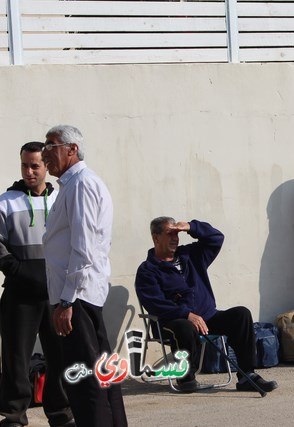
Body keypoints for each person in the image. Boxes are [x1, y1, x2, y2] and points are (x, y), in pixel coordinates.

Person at [41, 125, 127, 427]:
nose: (45, 153)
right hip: (79, 295)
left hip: (77, 296)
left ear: (72, 149)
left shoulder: (81, 185)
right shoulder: (71, 186)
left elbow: (84, 247)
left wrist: (66, 301)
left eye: (51, 146)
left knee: (85, 380)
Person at [135, 217, 278, 393]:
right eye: (169, 233)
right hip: (172, 322)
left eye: (177, 233)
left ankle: (247, 375)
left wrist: (190, 227)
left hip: (207, 316)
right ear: (156, 238)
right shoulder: (147, 270)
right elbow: (155, 303)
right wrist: (186, 313)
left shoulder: (190, 254)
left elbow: (216, 238)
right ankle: (186, 377)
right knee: (185, 326)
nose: (175, 238)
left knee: (241, 314)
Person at [0, 142, 75, 427]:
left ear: (46, 165)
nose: (29, 171)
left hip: (56, 294)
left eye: (35, 166)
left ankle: (59, 412)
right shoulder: (5, 201)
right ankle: (13, 415)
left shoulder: (62, 200)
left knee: (59, 356)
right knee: (15, 357)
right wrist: (16, 268)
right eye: (24, 165)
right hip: (19, 293)